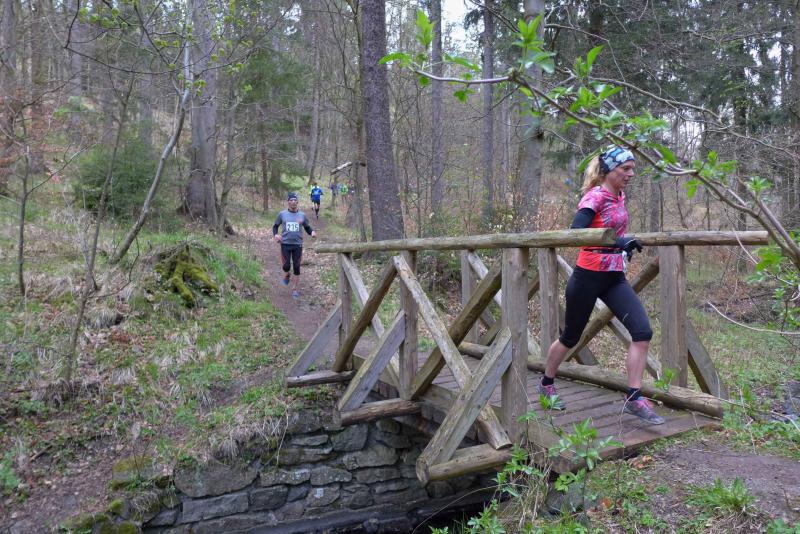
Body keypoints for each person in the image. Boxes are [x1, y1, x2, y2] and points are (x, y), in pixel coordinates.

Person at [537, 146, 664, 425]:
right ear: (608, 170)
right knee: (570, 337)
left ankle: (634, 397)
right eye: (625, 169)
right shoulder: (594, 197)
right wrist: (618, 242)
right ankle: (547, 383)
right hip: (588, 277)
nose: (631, 174)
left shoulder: (620, 196)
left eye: (632, 169)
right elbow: (576, 233)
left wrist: (625, 245)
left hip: (614, 277)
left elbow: (614, 231)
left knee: (642, 332)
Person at [273, 192, 316, 299]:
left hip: (297, 245)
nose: (293, 202)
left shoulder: (302, 215)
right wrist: (276, 235)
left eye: (295, 200)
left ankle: (295, 289)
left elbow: (307, 227)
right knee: (286, 266)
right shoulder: (282, 214)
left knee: (296, 266)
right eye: (291, 200)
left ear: (297, 202)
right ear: (288, 202)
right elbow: (275, 226)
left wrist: (312, 232)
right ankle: (287, 274)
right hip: (285, 244)